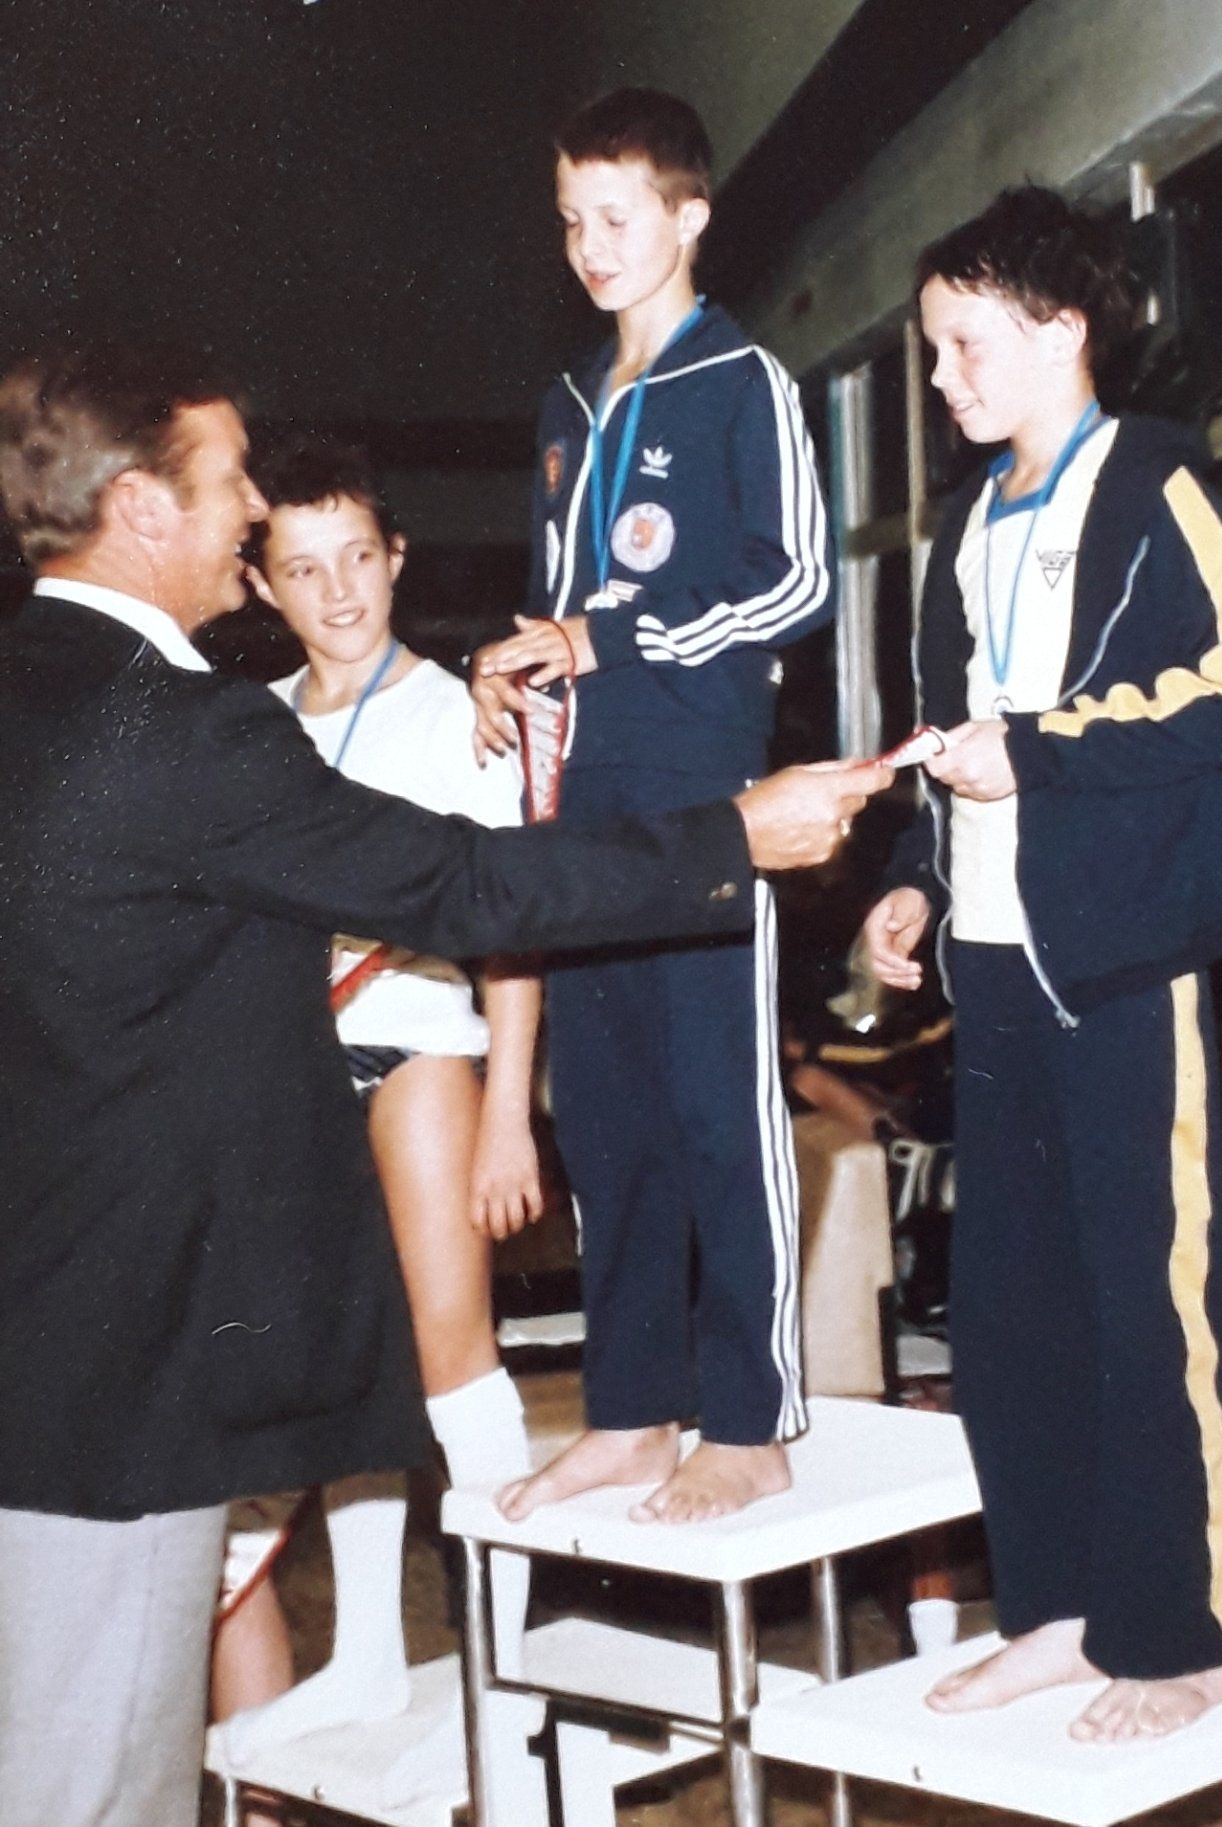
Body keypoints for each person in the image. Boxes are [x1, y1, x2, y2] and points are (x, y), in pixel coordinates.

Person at [0, 344, 884, 1827]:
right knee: (94, 1788)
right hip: (129, 1371)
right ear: (142, 505)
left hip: (40, 1326)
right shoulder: (179, 725)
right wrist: (737, 832)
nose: (254, 511)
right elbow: (463, 885)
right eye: (232, 483)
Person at [861, 186, 1222, 1742]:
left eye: (966, 344)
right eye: (932, 349)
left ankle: (1189, 1627)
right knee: (1012, 1309)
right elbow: (947, 739)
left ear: (1062, 330)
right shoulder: (970, 525)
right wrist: (914, 881)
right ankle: (1056, 1608)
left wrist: (1037, 747)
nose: (942, 377)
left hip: (1121, 959)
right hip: (993, 961)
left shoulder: (1153, 477)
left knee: (1150, 1300)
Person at [469, 87, 835, 1528]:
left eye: (617, 217)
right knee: (607, 1106)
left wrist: (608, 638)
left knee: (714, 1104)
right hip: (586, 793)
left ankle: (751, 1419)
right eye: (571, 220)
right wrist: (521, 672)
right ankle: (631, 1410)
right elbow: (563, 604)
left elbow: (794, 580)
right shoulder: (569, 401)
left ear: (690, 216)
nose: (590, 246)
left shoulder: (745, 378)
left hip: (704, 793)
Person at [209, 437, 544, 1807]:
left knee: (452, 1363)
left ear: (398, 557)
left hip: (421, 1051)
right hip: (289, 1074)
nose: (339, 590)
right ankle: (365, 1657)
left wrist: (510, 1111)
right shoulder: (249, 725)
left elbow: (513, 924)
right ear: (260, 584)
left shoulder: (461, 715)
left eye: (359, 556)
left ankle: (510, 1668)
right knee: (344, 1368)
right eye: (303, 568)